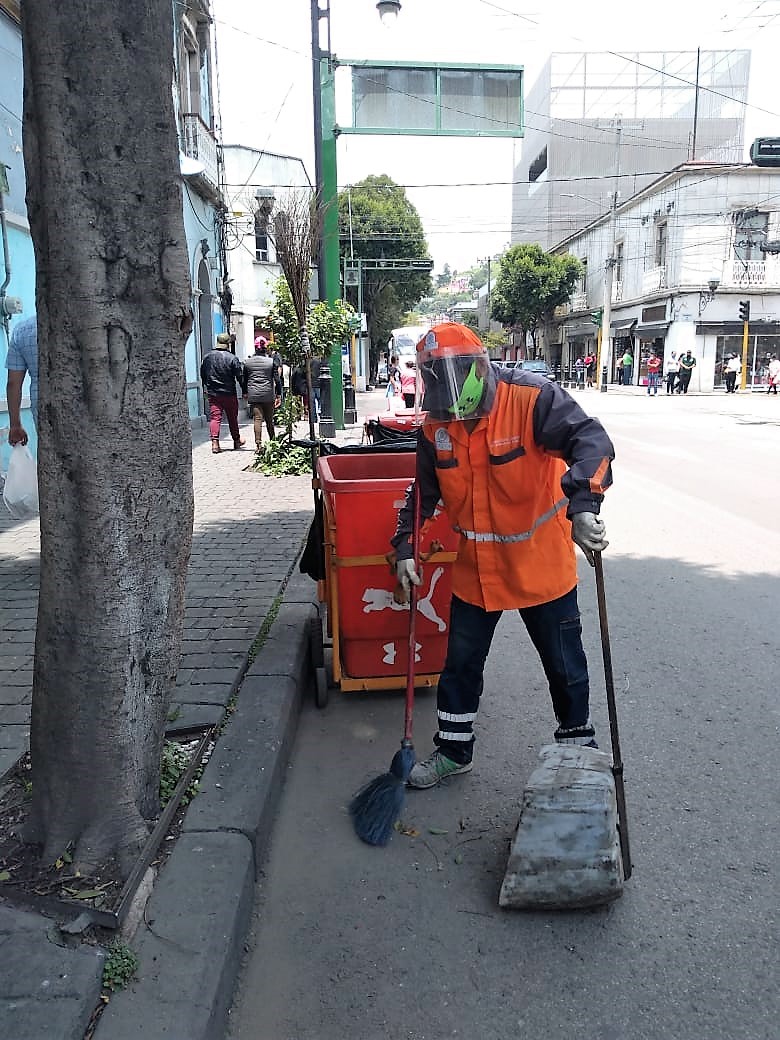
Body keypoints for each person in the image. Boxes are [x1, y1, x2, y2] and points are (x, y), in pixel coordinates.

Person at [390, 323, 614, 789]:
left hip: (541, 566)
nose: (453, 410)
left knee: (564, 665)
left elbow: (590, 444)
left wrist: (584, 508)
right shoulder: (437, 425)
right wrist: (406, 548)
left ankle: (577, 748)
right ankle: (454, 751)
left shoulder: (532, 399)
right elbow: (423, 494)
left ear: (476, 372)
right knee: (461, 666)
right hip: (477, 571)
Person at [200, 332, 245, 452]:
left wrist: (207, 387)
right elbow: (239, 376)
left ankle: (215, 443)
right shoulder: (232, 358)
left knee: (215, 418)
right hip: (229, 393)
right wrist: (244, 390)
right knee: (232, 418)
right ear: (228, 344)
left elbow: (203, 375)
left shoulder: (207, 357)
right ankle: (236, 441)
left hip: (214, 393)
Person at [5, 313, 38, 445]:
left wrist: (15, 425)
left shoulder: (22, 330)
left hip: (41, 402)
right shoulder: (84, 323)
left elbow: (13, 383)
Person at [242, 337, 279, 449]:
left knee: (257, 419)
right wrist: (279, 394)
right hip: (268, 394)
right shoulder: (271, 362)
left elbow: (245, 379)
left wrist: (245, 392)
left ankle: (258, 445)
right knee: (269, 420)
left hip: (254, 395)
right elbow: (277, 380)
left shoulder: (247, 362)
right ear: (265, 348)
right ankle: (274, 443)